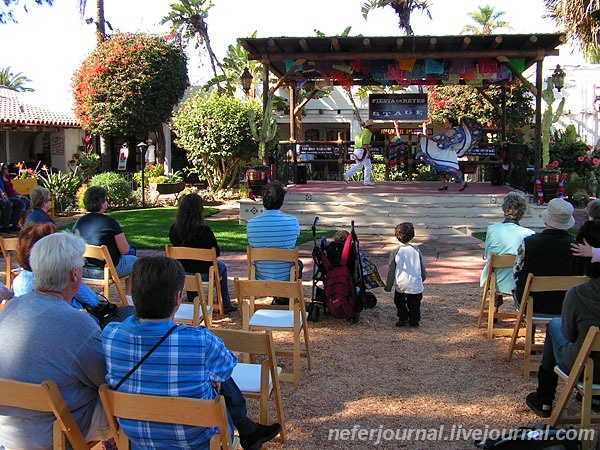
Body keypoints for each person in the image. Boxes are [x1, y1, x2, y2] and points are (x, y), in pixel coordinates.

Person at [102, 256, 281, 450]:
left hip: (137, 439)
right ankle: (248, 430)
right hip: (197, 441)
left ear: (133, 295)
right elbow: (227, 367)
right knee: (217, 381)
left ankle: (249, 429)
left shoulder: (110, 336)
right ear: (178, 298)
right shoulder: (200, 340)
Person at [0, 232, 111, 448]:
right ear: (75, 274)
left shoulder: (10, 308)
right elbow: (107, 379)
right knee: (122, 400)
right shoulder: (78, 324)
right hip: (54, 435)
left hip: (8, 432)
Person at [525, 220, 600, 418]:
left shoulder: (579, 294)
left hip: (587, 366)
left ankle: (545, 398)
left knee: (556, 325)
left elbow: (569, 334)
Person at [11, 223, 135, 327]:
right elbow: (92, 301)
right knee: (128, 314)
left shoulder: (19, 282)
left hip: (43, 328)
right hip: (79, 322)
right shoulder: (65, 277)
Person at [169, 193, 238, 314]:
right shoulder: (205, 231)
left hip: (183, 272)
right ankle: (225, 303)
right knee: (221, 267)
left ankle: (193, 298)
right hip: (205, 273)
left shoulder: (174, 230)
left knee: (190, 265)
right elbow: (215, 252)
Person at [513, 198, 576, 315]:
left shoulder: (529, 243)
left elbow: (516, 271)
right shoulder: (578, 248)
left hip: (532, 302)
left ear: (546, 221)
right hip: (567, 304)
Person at [72, 186, 137, 296]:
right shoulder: (110, 222)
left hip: (82, 269)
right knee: (135, 261)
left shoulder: (79, 222)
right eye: (106, 200)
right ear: (102, 204)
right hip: (105, 270)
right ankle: (128, 296)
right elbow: (124, 250)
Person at [480, 192, 535, 312]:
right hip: (520, 282)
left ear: (504, 209)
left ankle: (494, 308)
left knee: (495, 269)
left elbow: (487, 254)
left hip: (497, 281)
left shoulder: (493, 230)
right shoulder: (529, 234)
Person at [246, 181, 302, 281]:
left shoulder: (251, 224)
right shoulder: (292, 221)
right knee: (299, 264)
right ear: (281, 201)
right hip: (286, 278)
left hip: (261, 277)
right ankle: (285, 295)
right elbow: (295, 238)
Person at [384, 222, 426, 328]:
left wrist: (388, 285)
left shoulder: (395, 252)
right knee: (415, 304)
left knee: (399, 301)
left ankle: (403, 318)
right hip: (415, 284)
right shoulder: (416, 250)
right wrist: (423, 277)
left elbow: (391, 270)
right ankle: (414, 321)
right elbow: (422, 266)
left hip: (401, 284)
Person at [420, 117, 468, 191]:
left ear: (450, 124)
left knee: (453, 168)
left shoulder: (457, 132)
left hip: (451, 153)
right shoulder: (445, 134)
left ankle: (463, 183)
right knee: (439, 167)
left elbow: (460, 139)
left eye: (446, 122)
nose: (445, 124)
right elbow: (434, 138)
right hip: (444, 153)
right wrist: (424, 137)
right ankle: (444, 184)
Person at [343, 119, 375, 186]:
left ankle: (347, 174)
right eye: (372, 126)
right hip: (362, 150)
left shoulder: (361, 132)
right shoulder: (368, 133)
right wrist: (369, 152)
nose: (373, 127)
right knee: (368, 166)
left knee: (359, 165)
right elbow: (365, 143)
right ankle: (366, 181)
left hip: (357, 150)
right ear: (369, 126)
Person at [0, 167, 23, 233]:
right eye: (5, 169)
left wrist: (3, 195)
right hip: (4, 198)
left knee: (19, 203)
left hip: (4, 197)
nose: (7, 170)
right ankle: (4, 226)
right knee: (7, 203)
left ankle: (12, 224)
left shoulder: (1, 178)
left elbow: (2, 189)